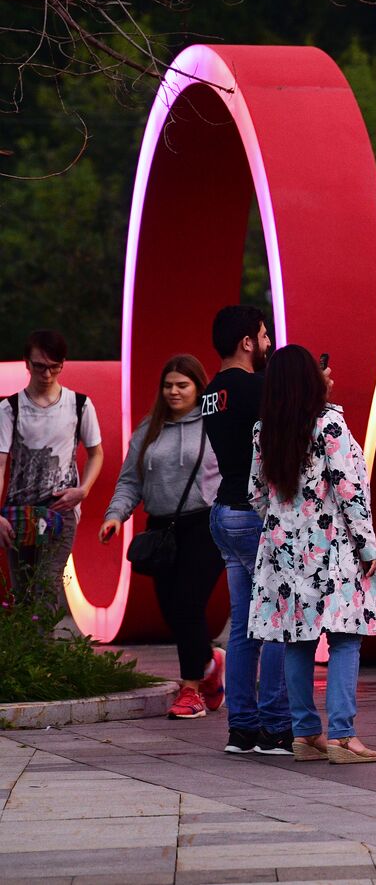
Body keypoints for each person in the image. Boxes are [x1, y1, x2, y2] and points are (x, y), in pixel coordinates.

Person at [249, 344, 376, 764]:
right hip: (331, 547)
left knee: (297, 639)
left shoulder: (264, 430)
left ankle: (305, 733)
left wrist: (284, 522)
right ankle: (343, 737)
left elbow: (256, 494)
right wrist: (367, 546)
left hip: (282, 549)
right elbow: (349, 491)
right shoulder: (329, 425)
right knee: (345, 638)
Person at [99, 354, 226, 719]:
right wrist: (114, 516)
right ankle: (209, 663)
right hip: (161, 529)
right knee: (171, 609)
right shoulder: (148, 428)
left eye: (182, 385)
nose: (174, 391)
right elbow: (130, 481)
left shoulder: (214, 425)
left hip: (205, 526)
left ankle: (191, 691)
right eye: (168, 385)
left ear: (199, 388)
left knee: (187, 603)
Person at [202, 306, 292, 756]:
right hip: (256, 515)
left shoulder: (210, 393)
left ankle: (241, 728)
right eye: (264, 335)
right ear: (246, 342)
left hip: (224, 514)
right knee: (275, 621)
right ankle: (275, 727)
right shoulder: (257, 388)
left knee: (243, 626)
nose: (269, 343)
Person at [0, 330, 104, 616]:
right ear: (27, 363)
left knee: (46, 585)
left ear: (62, 364)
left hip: (61, 506)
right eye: (39, 366)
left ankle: (43, 642)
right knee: (23, 590)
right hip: (19, 510)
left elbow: (96, 453)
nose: (46, 374)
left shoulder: (79, 404)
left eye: (54, 366)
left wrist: (83, 490)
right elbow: (0, 463)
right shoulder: (10, 408)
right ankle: (31, 644)